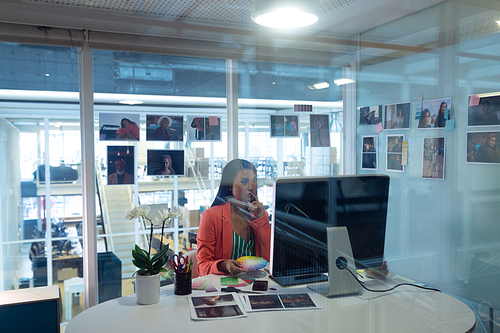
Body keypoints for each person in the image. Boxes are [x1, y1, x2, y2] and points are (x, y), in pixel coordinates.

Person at [196, 159, 271, 276]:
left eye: (254, 181)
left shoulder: (261, 214)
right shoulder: (211, 216)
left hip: (256, 283)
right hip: (224, 286)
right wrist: (224, 265)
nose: (251, 187)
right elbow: (202, 266)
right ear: (230, 186)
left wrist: (261, 219)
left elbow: (269, 258)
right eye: (244, 182)